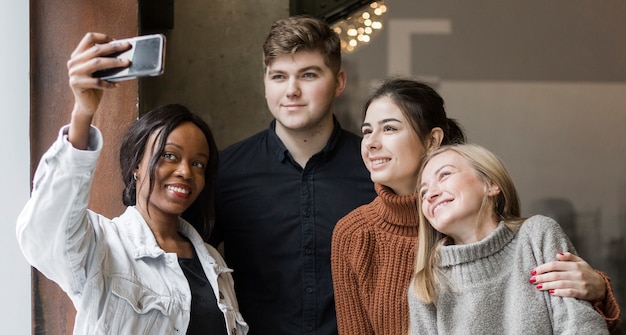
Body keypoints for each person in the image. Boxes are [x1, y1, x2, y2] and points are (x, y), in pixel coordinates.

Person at [330, 78, 620, 334]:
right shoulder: (355, 234)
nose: (371, 143)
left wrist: (598, 289)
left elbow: (567, 310)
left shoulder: (477, 214)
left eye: (389, 129)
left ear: (432, 140)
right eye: (366, 131)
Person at [16, 32, 248, 335]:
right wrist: (82, 113)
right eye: (169, 155)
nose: (185, 172)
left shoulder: (213, 263)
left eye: (197, 163)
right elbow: (42, 232)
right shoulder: (102, 245)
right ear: (137, 165)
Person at [201, 15, 377, 334]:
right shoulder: (224, 171)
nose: (292, 90)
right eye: (279, 76)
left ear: (339, 82)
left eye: (308, 75)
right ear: (265, 82)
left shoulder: (376, 168)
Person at [409, 144, 611, 334]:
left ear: (491, 184)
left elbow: (580, 325)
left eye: (445, 175)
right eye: (423, 192)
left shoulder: (536, 235)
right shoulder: (425, 285)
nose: (430, 195)